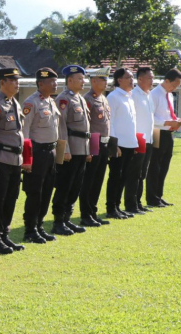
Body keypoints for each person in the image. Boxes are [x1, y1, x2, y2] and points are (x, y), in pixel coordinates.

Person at [0, 68, 25, 254]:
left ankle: (4, 235)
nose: (17, 83)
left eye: (18, 80)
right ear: (2, 83)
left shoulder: (15, 103)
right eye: (13, 80)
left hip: (15, 159)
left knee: (11, 199)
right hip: (0, 159)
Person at [21, 67, 60, 244]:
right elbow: (25, 133)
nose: (55, 84)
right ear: (40, 83)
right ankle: (30, 229)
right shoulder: (31, 103)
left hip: (50, 152)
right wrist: (27, 159)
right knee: (35, 192)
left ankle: (40, 226)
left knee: (47, 191)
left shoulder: (51, 101)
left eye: (55, 81)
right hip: (37, 152)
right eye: (51, 81)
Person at [51, 65, 91, 235]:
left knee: (76, 186)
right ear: (70, 80)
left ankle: (67, 219)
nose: (84, 81)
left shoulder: (80, 98)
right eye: (80, 78)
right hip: (70, 149)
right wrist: (65, 149)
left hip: (82, 148)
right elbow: (61, 126)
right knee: (64, 186)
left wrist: (88, 149)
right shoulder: (63, 99)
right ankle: (58, 221)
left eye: (83, 78)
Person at [79, 68, 111, 227]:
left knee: (98, 180)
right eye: (103, 79)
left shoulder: (103, 99)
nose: (106, 83)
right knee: (89, 180)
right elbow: (87, 126)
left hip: (104, 142)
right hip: (93, 142)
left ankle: (93, 211)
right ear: (93, 81)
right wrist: (88, 149)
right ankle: (86, 214)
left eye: (106, 79)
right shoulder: (88, 100)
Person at [105, 68, 138, 219]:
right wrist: (114, 144)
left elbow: (131, 122)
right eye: (128, 77)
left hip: (130, 143)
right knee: (115, 177)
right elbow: (110, 122)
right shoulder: (113, 96)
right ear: (119, 80)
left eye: (132, 77)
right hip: (119, 144)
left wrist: (135, 142)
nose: (132, 80)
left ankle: (117, 206)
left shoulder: (129, 97)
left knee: (123, 176)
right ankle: (111, 208)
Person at [147, 68, 181, 207]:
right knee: (155, 165)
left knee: (165, 165)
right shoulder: (154, 94)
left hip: (168, 133)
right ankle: (152, 197)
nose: (175, 88)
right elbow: (150, 117)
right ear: (166, 80)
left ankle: (158, 195)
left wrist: (175, 121)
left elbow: (167, 114)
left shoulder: (170, 95)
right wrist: (166, 123)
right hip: (158, 132)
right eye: (174, 85)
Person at [127, 67, 155, 214]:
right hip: (138, 139)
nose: (152, 81)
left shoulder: (148, 95)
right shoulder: (134, 95)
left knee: (142, 173)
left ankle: (138, 202)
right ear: (140, 79)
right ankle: (131, 204)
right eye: (149, 78)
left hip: (148, 139)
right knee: (134, 173)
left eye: (152, 77)